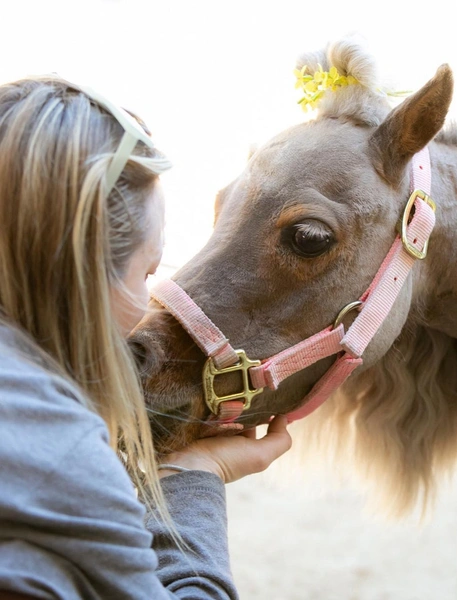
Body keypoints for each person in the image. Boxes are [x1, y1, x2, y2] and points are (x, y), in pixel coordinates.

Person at [0, 76, 292, 599]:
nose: (147, 308)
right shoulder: (59, 453)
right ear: (82, 273)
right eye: (147, 273)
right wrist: (194, 476)